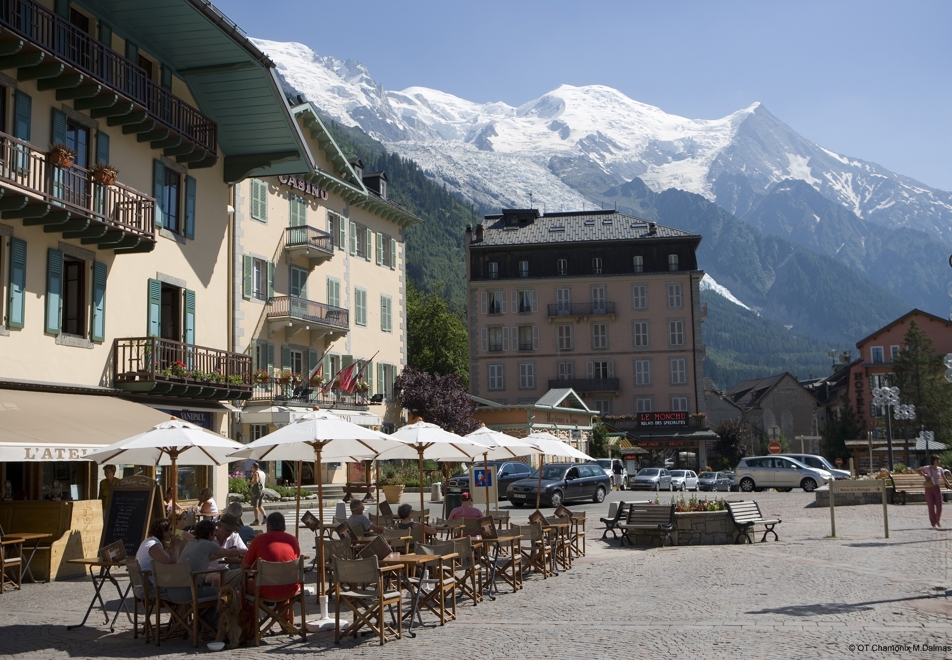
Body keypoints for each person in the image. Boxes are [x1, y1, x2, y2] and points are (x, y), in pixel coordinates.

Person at [174, 520, 242, 601]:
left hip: (174, 591)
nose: (215, 536)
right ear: (210, 534)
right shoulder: (208, 544)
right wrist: (248, 551)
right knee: (224, 594)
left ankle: (203, 613)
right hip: (191, 591)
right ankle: (220, 613)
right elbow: (231, 553)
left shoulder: (191, 543)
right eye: (214, 534)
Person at [242, 512, 301, 601]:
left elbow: (244, 566)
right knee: (283, 584)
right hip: (290, 590)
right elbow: (295, 563)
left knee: (244, 585)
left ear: (268, 526)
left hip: (264, 590)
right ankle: (284, 614)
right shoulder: (293, 540)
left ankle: (252, 614)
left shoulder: (259, 540)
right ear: (284, 526)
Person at [211, 513, 248, 588]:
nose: (229, 533)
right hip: (208, 572)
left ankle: (239, 598)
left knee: (247, 574)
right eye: (227, 529)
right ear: (220, 526)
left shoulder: (233, 536)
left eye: (231, 530)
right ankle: (220, 598)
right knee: (217, 578)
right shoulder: (209, 537)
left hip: (225, 570)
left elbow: (245, 552)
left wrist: (235, 553)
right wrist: (228, 553)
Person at [917, 455, 951, 529]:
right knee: (931, 506)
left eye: (939, 460)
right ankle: (933, 523)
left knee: (939, 505)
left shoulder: (940, 469)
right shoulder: (927, 468)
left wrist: (949, 485)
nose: (938, 461)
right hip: (929, 488)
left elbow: (944, 478)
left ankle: (937, 520)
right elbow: (917, 470)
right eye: (937, 460)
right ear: (933, 461)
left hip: (937, 488)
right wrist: (924, 476)